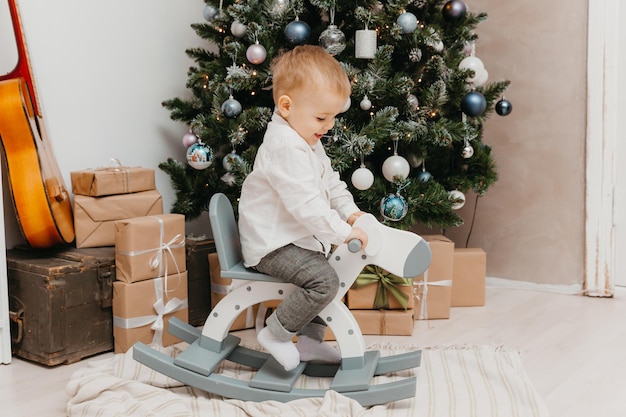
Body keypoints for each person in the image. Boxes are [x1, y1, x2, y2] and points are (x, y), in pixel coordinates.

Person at [238, 45, 369, 371]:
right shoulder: (285, 147)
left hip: (293, 240)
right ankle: (276, 334)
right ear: (286, 106)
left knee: (332, 275)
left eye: (333, 117)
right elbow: (306, 206)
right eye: (322, 117)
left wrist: (351, 213)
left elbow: (330, 183)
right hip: (272, 244)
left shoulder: (308, 140)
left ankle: (310, 345)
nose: (328, 126)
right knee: (324, 281)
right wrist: (341, 232)